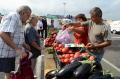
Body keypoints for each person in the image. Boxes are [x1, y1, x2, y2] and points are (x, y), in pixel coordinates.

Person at [0, 5, 31, 79]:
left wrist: (24, 44)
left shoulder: (19, 20)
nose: (28, 19)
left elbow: (16, 36)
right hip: (7, 53)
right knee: (9, 75)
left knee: (11, 75)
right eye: (28, 15)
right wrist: (17, 49)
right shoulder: (14, 16)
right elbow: (3, 34)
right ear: (23, 13)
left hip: (12, 53)